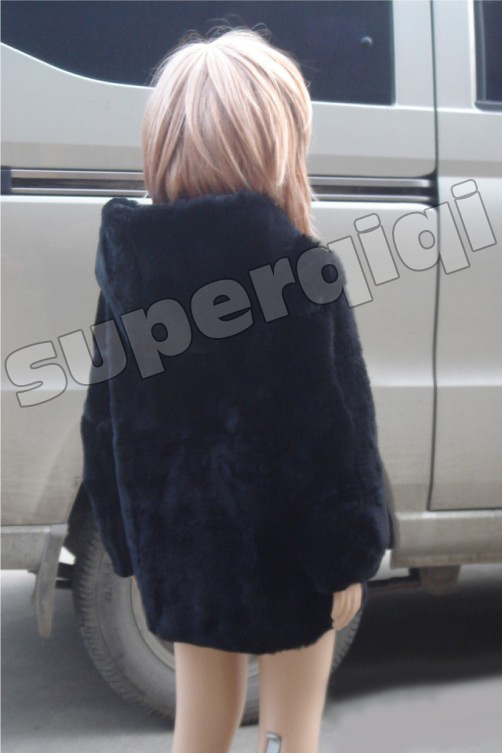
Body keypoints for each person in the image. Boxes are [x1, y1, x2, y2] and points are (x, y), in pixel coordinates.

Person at [80, 26, 390, 753]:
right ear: (274, 143)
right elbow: (330, 436)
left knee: (201, 723)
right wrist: (347, 556)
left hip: (179, 552)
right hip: (290, 556)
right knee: (287, 731)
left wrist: (127, 542)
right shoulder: (299, 272)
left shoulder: (128, 273)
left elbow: (103, 423)